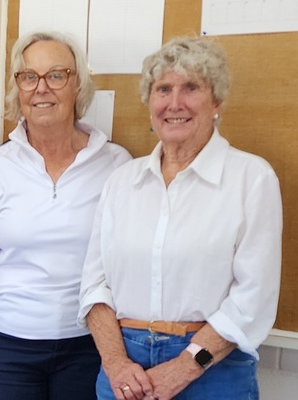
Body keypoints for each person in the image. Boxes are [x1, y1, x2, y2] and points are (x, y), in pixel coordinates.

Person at [77, 36, 282, 400]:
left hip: (213, 369)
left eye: (191, 87)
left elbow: (253, 299)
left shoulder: (251, 178)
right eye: (163, 89)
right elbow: (94, 285)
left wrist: (183, 367)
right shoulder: (122, 181)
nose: (175, 103)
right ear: (149, 102)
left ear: (216, 101)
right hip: (124, 369)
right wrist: (115, 362)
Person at [0, 31, 132, 400]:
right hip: (8, 347)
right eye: (29, 76)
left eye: (56, 75)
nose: (41, 88)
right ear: (17, 88)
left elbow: (126, 265)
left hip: (88, 344)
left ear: (78, 85)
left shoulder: (116, 164)